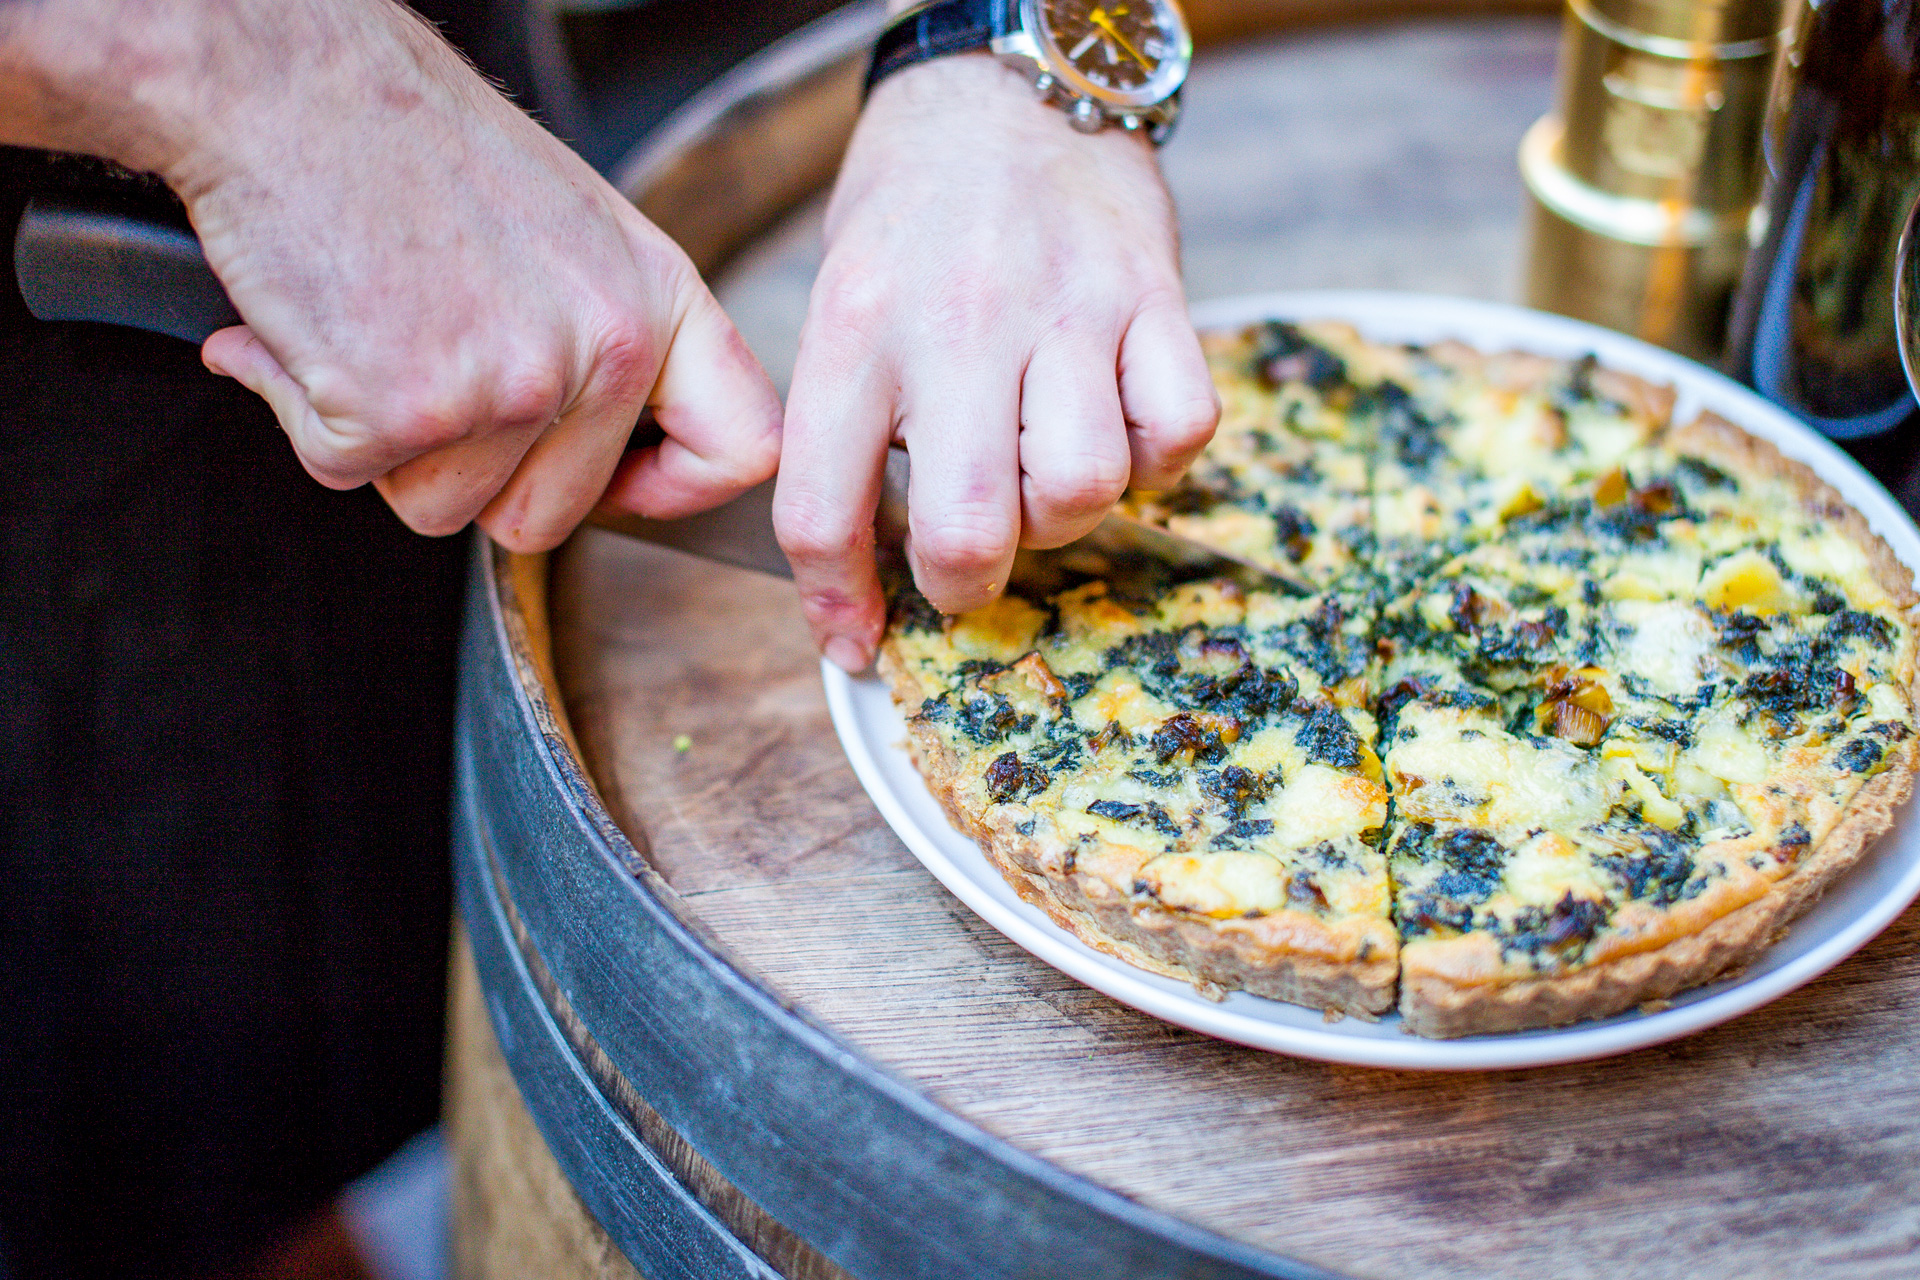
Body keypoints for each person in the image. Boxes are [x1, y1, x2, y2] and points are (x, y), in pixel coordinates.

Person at [0, 0, 1216, 1275]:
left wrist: (1014, 41)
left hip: (442, 112)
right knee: (152, 1150)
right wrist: (255, 63)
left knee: (345, 1047)